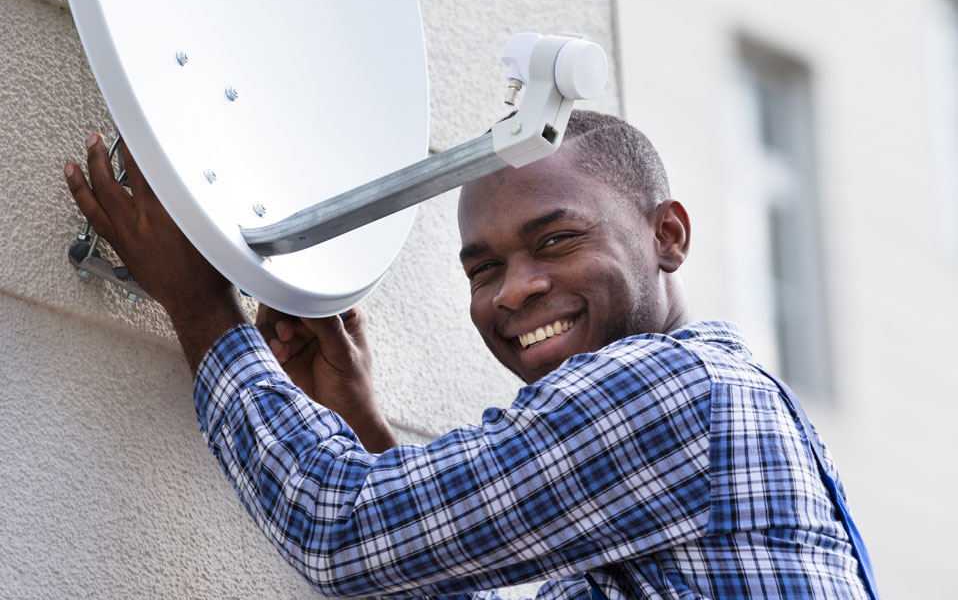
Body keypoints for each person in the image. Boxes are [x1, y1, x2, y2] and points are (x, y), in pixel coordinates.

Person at [64, 111, 876, 599]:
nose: (515, 289)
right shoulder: (684, 435)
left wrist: (202, 308)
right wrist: (361, 423)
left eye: (555, 239)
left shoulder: (674, 394)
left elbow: (338, 527)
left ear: (667, 235)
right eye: (483, 268)